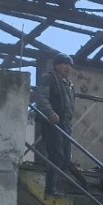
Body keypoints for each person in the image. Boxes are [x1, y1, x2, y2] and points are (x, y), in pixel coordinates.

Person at [32, 53, 78, 196]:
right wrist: (50, 113)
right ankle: (50, 188)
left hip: (65, 125)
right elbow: (42, 97)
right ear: (57, 65)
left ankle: (57, 187)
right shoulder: (49, 78)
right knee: (56, 156)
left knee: (65, 159)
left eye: (70, 65)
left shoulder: (69, 84)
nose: (68, 68)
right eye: (65, 64)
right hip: (52, 124)